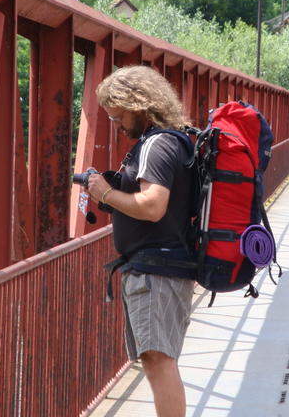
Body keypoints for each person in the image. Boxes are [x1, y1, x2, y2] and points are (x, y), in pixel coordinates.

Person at [86, 65, 195, 417]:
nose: (117, 124)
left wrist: (105, 194)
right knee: (158, 360)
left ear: (139, 105)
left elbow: (152, 206)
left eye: (119, 116)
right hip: (162, 267)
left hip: (156, 271)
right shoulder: (169, 140)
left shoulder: (157, 145)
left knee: (159, 362)